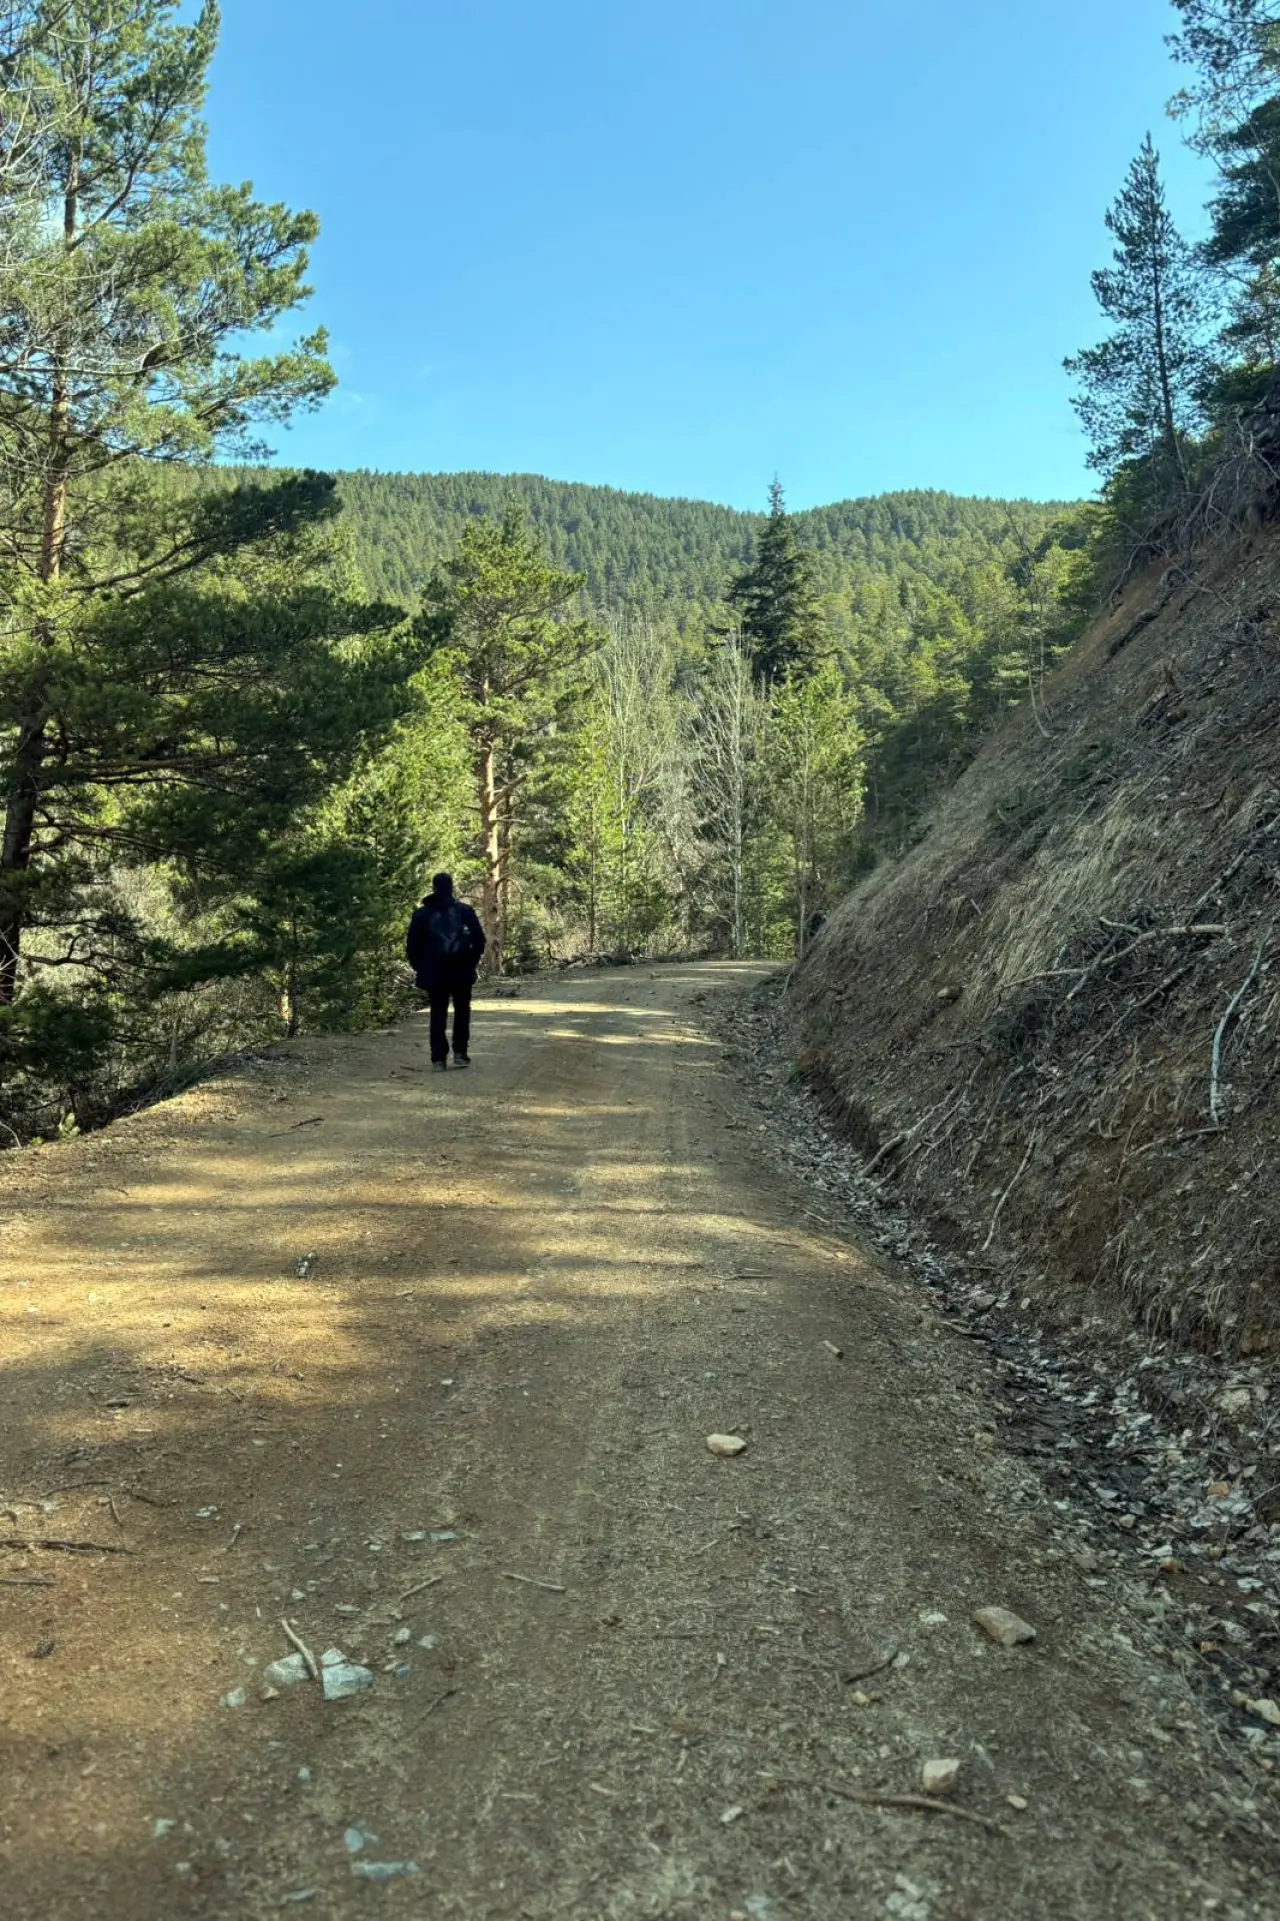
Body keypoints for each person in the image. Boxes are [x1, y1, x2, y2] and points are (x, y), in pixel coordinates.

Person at [405, 873, 487, 1070]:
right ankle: (460, 1053)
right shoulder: (465, 911)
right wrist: (470, 963)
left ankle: (438, 1059)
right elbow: (479, 941)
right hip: (461, 971)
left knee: (438, 1013)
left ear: (433, 887)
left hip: (434, 973)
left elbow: (412, 946)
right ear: (452, 887)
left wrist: (421, 968)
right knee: (462, 1011)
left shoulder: (422, 915)